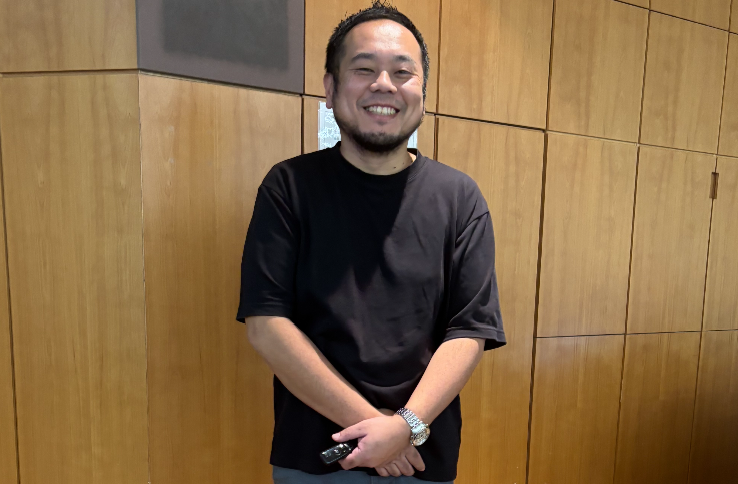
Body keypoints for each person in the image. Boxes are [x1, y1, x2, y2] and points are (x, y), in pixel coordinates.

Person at [236, 2, 505, 482]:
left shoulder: (460, 197)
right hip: (317, 458)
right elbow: (267, 324)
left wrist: (404, 426)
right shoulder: (289, 187)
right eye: (364, 69)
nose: (384, 85)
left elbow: (469, 330)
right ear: (330, 87)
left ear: (422, 91)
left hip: (421, 461)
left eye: (403, 72)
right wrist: (380, 433)